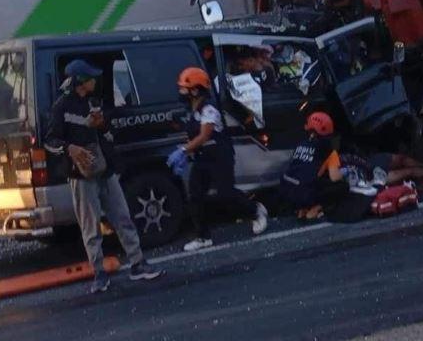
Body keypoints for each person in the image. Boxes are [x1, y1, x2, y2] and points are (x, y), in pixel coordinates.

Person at [45, 59, 163, 294]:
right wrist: (71, 149)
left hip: (105, 170)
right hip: (80, 175)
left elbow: (108, 135)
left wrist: (102, 127)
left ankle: (137, 263)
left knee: (122, 216)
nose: (94, 81)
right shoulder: (61, 107)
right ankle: (99, 272)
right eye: (89, 78)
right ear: (79, 81)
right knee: (90, 226)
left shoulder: (94, 102)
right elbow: (50, 141)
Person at [169, 66, 269, 252]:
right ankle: (203, 236)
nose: (181, 92)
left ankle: (256, 210)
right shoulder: (192, 110)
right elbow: (193, 136)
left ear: (195, 90)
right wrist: (188, 152)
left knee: (225, 193)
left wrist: (183, 150)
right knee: (195, 195)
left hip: (219, 157)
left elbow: (204, 136)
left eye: (184, 88)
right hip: (203, 158)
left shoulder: (209, 110)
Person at [278, 111, 351, 221]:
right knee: (342, 187)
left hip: (286, 191)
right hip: (305, 194)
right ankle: (316, 208)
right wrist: (347, 171)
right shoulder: (330, 152)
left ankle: (301, 209)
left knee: (313, 180)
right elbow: (335, 177)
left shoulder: (300, 144)